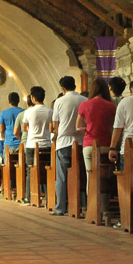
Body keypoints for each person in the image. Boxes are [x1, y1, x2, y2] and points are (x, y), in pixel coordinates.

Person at [77, 78, 117, 218]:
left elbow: (78, 126)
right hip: (107, 144)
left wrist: (88, 129)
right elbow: (114, 125)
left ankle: (93, 208)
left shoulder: (85, 105)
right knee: (105, 177)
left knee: (91, 176)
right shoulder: (111, 106)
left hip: (89, 144)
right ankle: (104, 209)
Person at [49, 76, 87, 215]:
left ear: (63, 89)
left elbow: (55, 126)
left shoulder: (59, 101)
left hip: (64, 142)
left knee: (62, 177)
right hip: (82, 142)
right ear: (75, 86)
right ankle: (83, 205)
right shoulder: (84, 100)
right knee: (81, 174)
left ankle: (60, 208)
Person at [16, 85, 53, 203]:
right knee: (48, 170)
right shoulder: (50, 111)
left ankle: (28, 197)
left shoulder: (28, 112)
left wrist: (32, 130)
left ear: (33, 98)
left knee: (30, 171)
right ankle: (48, 196)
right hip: (47, 144)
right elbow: (52, 127)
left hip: (32, 145)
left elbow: (24, 128)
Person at [0, 90, 23, 163]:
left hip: (9, 144)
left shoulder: (3, 113)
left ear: (9, 101)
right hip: (21, 143)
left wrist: (5, 136)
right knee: (21, 166)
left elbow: (1, 129)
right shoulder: (24, 112)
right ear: (19, 101)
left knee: (8, 166)